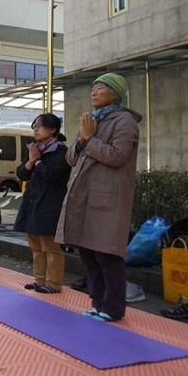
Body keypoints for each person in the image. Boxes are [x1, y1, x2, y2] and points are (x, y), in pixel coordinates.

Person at [56, 72, 142, 322]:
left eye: (101, 87)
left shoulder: (125, 121)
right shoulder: (90, 120)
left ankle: (113, 308)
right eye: (93, 87)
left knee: (107, 255)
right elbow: (71, 158)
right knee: (88, 254)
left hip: (108, 200)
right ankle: (97, 303)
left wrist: (89, 138)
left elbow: (117, 156)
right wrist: (83, 138)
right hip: (84, 197)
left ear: (115, 94)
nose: (94, 91)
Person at [14, 113, 71, 293]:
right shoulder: (35, 148)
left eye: (40, 126)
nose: (35, 130)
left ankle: (53, 283)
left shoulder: (61, 151)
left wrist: (37, 160)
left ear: (53, 130)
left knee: (50, 246)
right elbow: (22, 174)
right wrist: (31, 160)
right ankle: (39, 280)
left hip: (50, 203)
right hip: (33, 202)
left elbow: (52, 174)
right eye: (34, 126)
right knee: (36, 245)